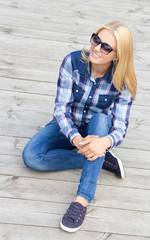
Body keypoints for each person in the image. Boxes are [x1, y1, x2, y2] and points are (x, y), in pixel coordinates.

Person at [22, 21, 137, 233]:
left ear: (117, 55)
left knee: (102, 120)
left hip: (97, 132)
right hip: (67, 125)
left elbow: (120, 126)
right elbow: (61, 110)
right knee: (31, 157)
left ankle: (81, 200)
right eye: (96, 40)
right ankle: (99, 159)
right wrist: (76, 139)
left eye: (106, 47)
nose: (96, 48)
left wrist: (104, 142)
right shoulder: (72, 62)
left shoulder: (125, 81)